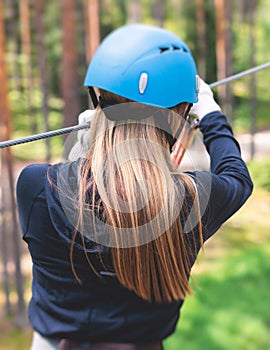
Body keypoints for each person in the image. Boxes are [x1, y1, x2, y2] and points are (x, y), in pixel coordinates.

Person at [16, 24, 253, 350]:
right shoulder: (190, 200)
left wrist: (84, 152)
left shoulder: (36, 185)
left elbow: (87, 201)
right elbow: (237, 177)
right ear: (181, 114)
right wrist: (211, 115)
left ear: (96, 97)